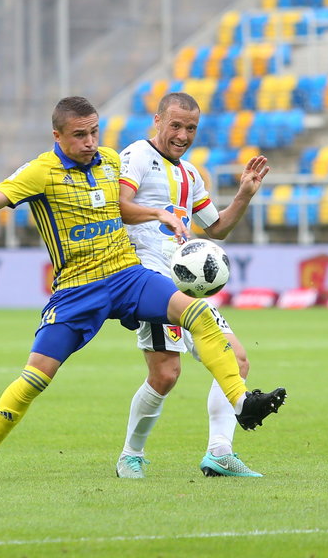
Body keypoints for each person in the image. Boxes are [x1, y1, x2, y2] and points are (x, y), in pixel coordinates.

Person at [0, 96, 286, 481]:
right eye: (79, 135)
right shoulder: (41, 171)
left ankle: (242, 404)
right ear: (58, 135)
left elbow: (163, 210)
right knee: (36, 376)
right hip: (77, 288)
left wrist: (176, 210)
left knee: (198, 312)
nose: (90, 142)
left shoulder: (110, 160)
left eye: (94, 132)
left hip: (127, 275)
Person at [115, 92, 271, 479]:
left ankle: (219, 453)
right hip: (151, 280)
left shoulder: (191, 174)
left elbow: (216, 228)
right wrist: (157, 214)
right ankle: (130, 455)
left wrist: (244, 195)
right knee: (166, 375)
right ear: (157, 121)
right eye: (176, 125)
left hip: (186, 287)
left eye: (191, 128)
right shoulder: (136, 155)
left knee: (237, 360)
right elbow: (119, 205)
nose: (183, 135)